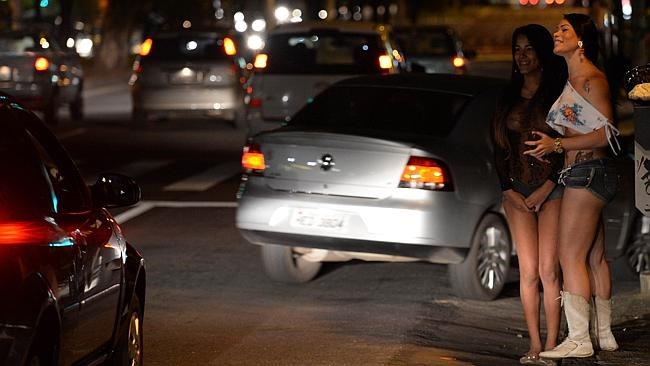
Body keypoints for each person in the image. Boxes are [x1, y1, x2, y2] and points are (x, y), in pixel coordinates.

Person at [524, 13, 621, 359]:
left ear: (580, 40)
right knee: (594, 256)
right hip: (585, 173)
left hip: (587, 173)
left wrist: (558, 146)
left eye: (564, 28)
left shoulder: (592, 79)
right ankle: (603, 334)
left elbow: (607, 133)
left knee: (570, 257)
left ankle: (579, 339)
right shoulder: (574, 78)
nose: (556, 32)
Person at [492, 24, 567, 366]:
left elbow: (568, 147)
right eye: (517, 49)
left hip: (551, 189)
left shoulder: (557, 94)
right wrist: (507, 190)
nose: (521, 56)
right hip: (517, 192)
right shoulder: (507, 96)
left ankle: (553, 343)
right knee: (528, 271)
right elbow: (495, 148)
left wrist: (549, 185)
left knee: (550, 269)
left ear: (541, 54)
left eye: (528, 49)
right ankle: (534, 345)